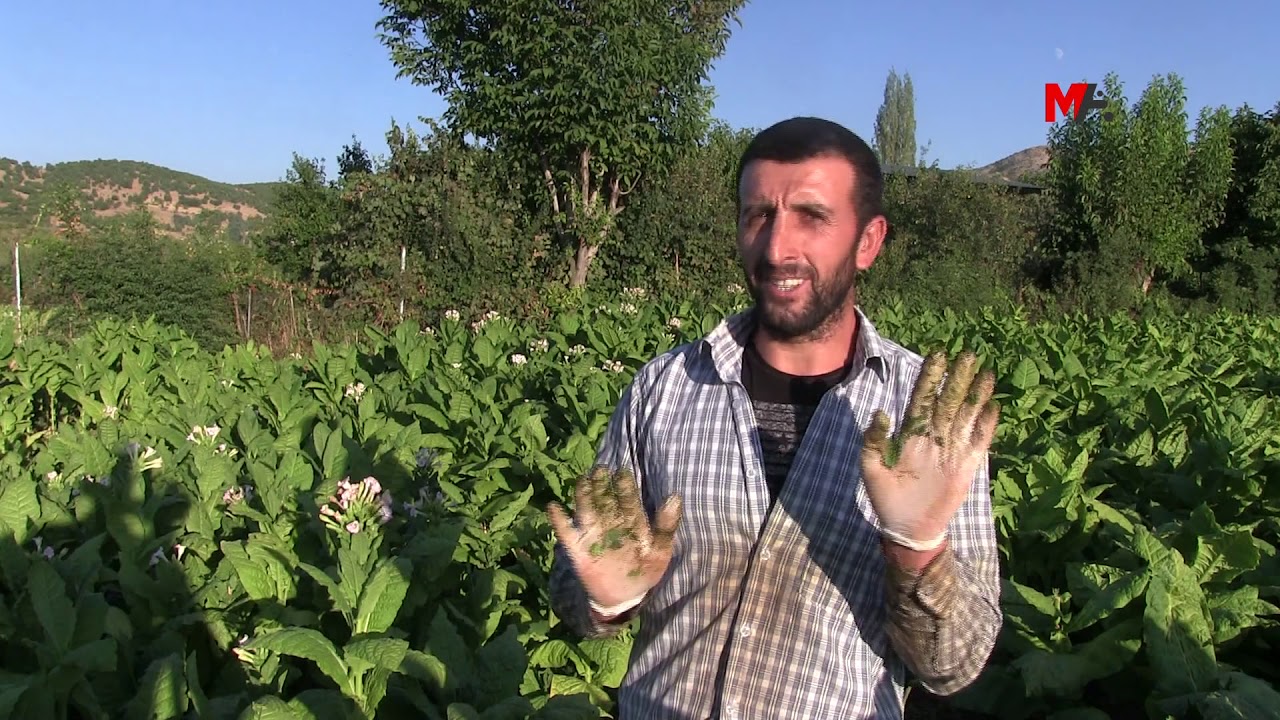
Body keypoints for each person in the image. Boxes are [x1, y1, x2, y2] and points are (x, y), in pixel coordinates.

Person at [546, 116, 1003, 719]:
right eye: (759, 214)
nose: (777, 246)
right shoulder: (664, 390)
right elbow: (571, 589)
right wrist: (605, 602)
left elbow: (954, 666)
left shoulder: (927, 425)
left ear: (868, 242)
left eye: (812, 217)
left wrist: (916, 550)